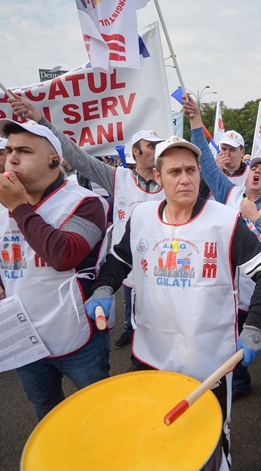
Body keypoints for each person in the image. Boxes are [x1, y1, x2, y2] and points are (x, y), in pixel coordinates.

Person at [84, 135, 261, 458]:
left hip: (210, 358)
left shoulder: (225, 221)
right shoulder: (142, 217)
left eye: (191, 170)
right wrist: (104, 287)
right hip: (152, 353)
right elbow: (120, 259)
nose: (185, 178)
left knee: (212, 436)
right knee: (160, 432)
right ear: (158, 177)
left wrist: (254, 326)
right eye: (175, 172)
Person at [184, 94, 261, 471]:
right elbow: (206, 162)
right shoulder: (230, 193)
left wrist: (256, 217)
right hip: (234, 295)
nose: (255, 174)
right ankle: (243, 381)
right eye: (254, 169)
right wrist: (197, 122)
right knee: (235, 346)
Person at [8, 93, 165, 352]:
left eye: (159, 145)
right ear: (135, 152)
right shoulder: (118, 177)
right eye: (151, 145)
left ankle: (153, 348)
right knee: (131, 304)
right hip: (126, 264)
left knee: (159, 314)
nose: (157, 149)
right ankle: (130, 330)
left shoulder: (168, 181)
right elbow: (78, 158)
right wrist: (42, 122)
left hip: (161, 263)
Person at [0, 119, 110, 420]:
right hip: (22, 333)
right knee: (46, 409)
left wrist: (20, 208)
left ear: (54, 159)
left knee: (99, 408)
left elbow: (63, 255)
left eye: (24, 150)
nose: (11, 158)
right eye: (9, 150)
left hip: (76, 334)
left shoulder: (87, 203)